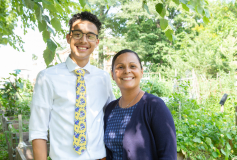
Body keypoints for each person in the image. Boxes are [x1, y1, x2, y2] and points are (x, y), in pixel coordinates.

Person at [29, 12, 115, 160]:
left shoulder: (103, 77)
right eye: (77, 34)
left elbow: (111, 117)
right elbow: (38, 130)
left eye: (90, 36)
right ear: (68, 38)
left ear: (97, 41)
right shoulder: (47, 77)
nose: (83, 40)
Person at [104, 49, 177, 160]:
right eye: (120, 67)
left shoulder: (155, 106)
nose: (127, 71)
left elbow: (168, 155)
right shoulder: (110, 109)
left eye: (133, 66)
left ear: (141, 72)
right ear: (113, 74)